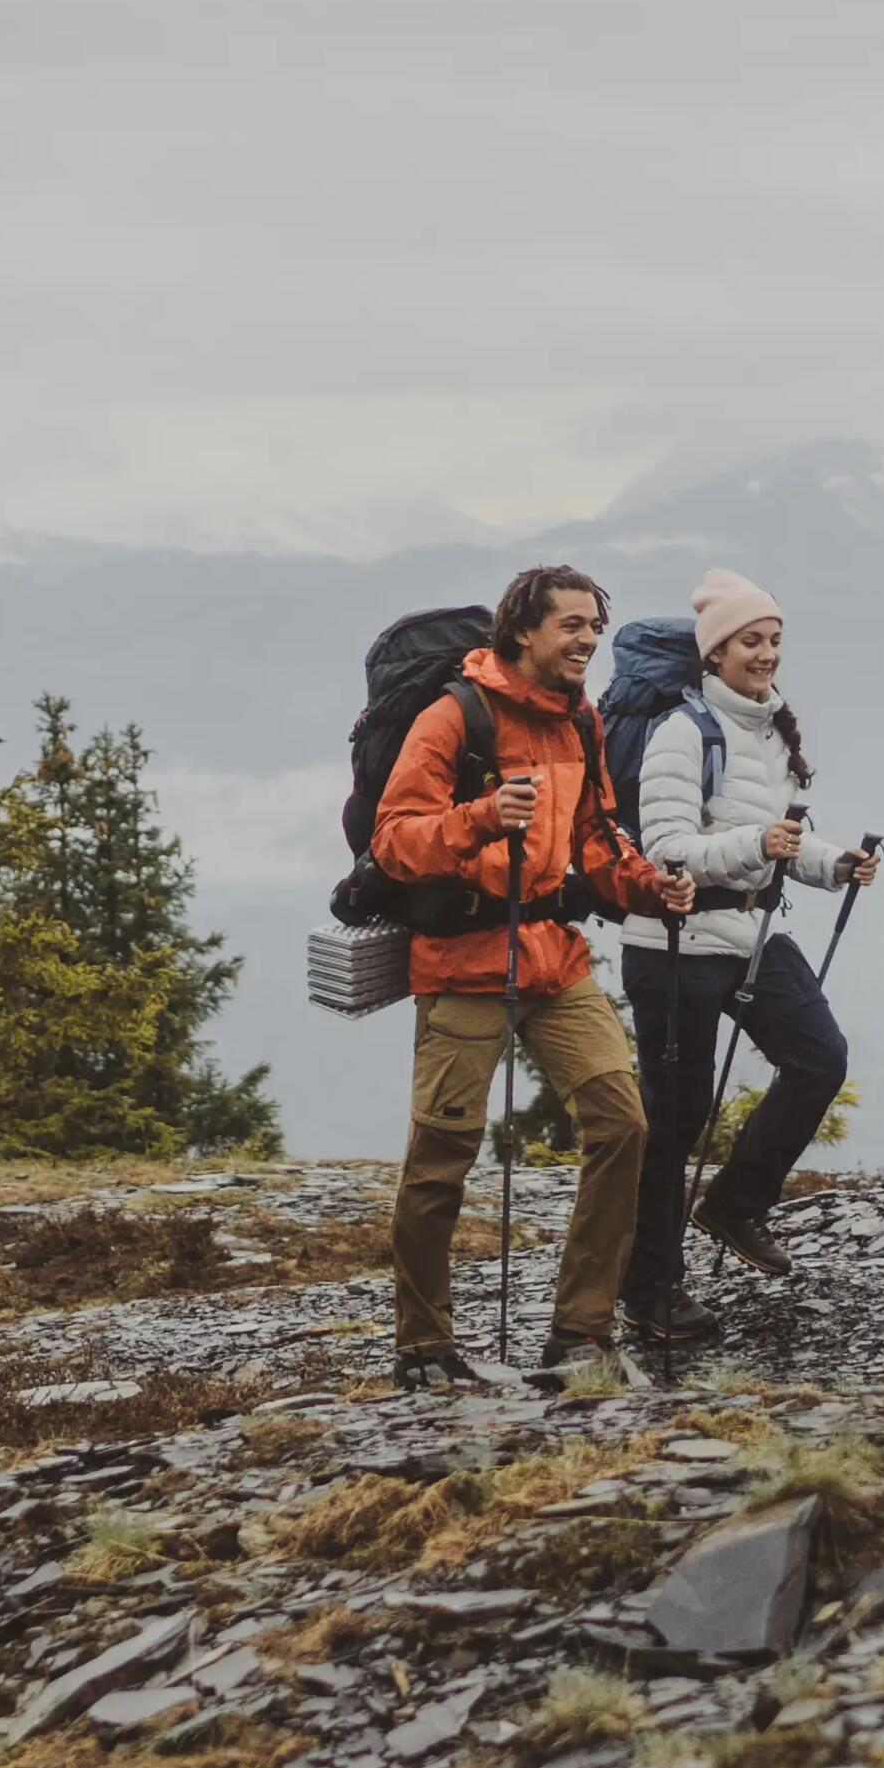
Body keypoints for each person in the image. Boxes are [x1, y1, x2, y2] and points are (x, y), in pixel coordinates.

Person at [372, 564, 695, 1388]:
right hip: (463, 961)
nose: (589, 640)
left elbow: (594, 836)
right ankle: (422, 1347)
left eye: (594, 625)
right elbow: (395, 840)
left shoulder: (578, 722)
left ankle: (580, 1332)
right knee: (443, 1157)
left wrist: (645, 888)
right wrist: (483, 817)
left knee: (622, 1123)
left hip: (552, 955)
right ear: (523, 633)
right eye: (572, 626)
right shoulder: (454, 718)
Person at [618, 568, 880, 1342]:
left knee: (819, 1058)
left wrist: (832, 865)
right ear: (714, 653)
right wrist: (756, 844)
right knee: (677, 1118)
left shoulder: (769, 731)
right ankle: (651, 1288)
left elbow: (776, 842)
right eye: (749, 642)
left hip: (750, 935)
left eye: (772, 641)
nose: (765, 655)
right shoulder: (682, 731)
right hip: (674, 940)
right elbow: (663, 848)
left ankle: (732, 1205)